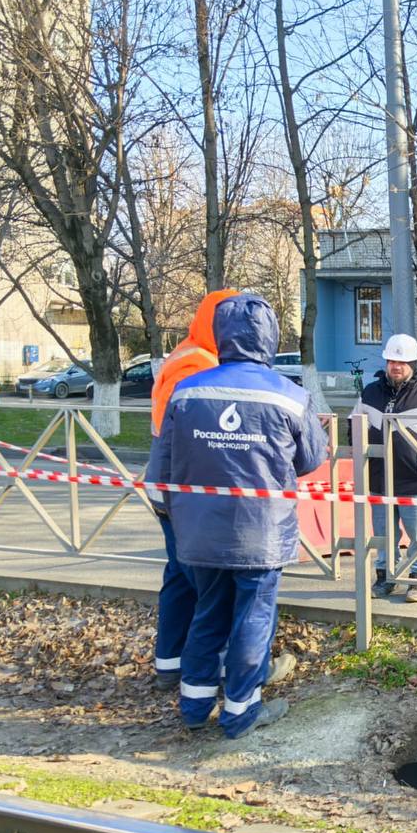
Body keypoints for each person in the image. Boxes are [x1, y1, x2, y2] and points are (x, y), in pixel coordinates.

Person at [157, 295, 327, 737]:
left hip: (200, 532)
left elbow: (163, 464)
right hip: (262, 531)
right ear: (269, 338)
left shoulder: (188, 389)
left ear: (221, 335)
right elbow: (310, 459)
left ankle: (194, 709)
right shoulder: (291, 395)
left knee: (208, 611)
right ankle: (241, 712)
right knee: (253, 617)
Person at [147, 288, 237, 690]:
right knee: (207, 583)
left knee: (182, 577)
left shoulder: (193, 354)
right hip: (183, 491)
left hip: (172, 488)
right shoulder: (197, 364)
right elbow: (187, 436)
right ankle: (211, 673)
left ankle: (170, 664)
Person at [350, 333, 417, 603]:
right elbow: (354, 428)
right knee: (384, 533)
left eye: (401, 361)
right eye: (391, 361)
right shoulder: (370, 392)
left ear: (412, 363)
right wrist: (364, 458)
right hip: (379, 479)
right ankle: (386, 576)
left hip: (416, 481)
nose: (395, 366)